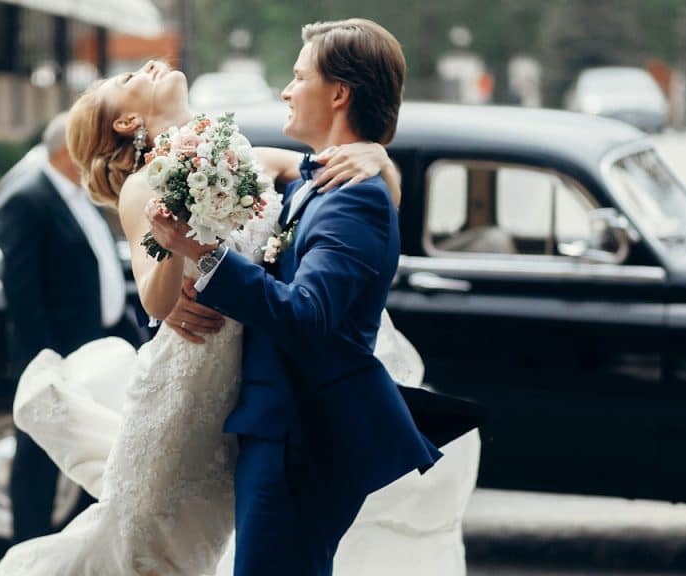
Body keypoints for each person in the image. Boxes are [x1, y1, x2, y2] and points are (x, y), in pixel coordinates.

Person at [0, 52, 474, 575]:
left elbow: (325, 177)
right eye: (131, 77)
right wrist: (175, 244)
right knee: (149, 546)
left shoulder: (243, 153)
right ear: (128, 122)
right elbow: (155, 299)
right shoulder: (142, 187)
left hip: (256, 384)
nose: (151, 64)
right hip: (190, 386)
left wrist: (374, 156)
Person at [150, 19, 468, 575]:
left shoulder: (354, 199)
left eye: (299, 77)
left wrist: (205, 253)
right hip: (281, 428)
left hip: (303, 436)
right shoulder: (316, 183)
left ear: (339, 93)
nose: (286, 90)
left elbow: (307, 316)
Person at [0, 113, 140, 546]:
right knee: (38, 458)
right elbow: (22, 290)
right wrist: (45, 363)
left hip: (95, 349)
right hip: (57, 356)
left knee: (93, 451)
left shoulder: (81, 195)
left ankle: (83, 549)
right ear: (70, 150)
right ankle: (28, 550)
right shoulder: (28, 201)